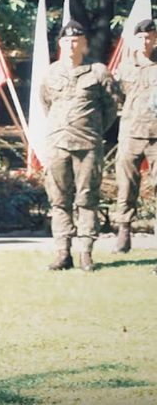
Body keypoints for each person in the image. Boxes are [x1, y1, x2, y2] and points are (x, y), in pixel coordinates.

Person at [41, 20, 119, 272]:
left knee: (87, 199)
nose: (71, 45)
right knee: (59, 200)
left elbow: (111, 107)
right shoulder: (51, 73)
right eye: (67, 41)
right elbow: (46, 104)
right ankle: (63, 252)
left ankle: (86, 253)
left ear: (84, 43)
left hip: (87, 144)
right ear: (60, 44)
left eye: (76, 41)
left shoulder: (98, 72)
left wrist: (92, 129)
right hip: (58, 144)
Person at [112, 18, 157, 254]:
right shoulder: (125, 68)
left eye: (149, 37)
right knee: (126, 185)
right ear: (135, 40)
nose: (145, 41)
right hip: (131, 134)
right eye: (140, 38)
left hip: (156, 135)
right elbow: (115, 99)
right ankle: (124, 232)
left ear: (155, 38)